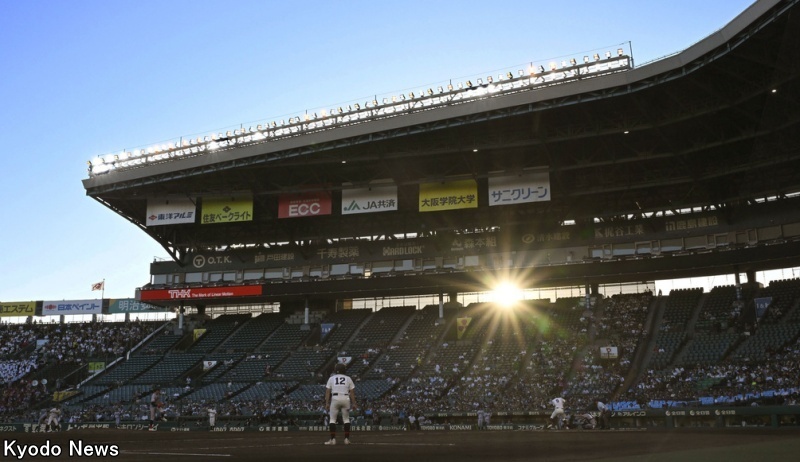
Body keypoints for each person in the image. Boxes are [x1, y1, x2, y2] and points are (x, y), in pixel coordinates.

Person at [324, 363, 356, 445]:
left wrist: (327, 403)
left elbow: (328, 391)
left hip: (335, 398)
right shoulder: (348, 378)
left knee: (332, 420)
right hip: (346, 398)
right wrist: (354, 403)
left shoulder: (331, 378)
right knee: (346, 419)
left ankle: (333, 440)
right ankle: (346, 439)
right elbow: (352, 392)